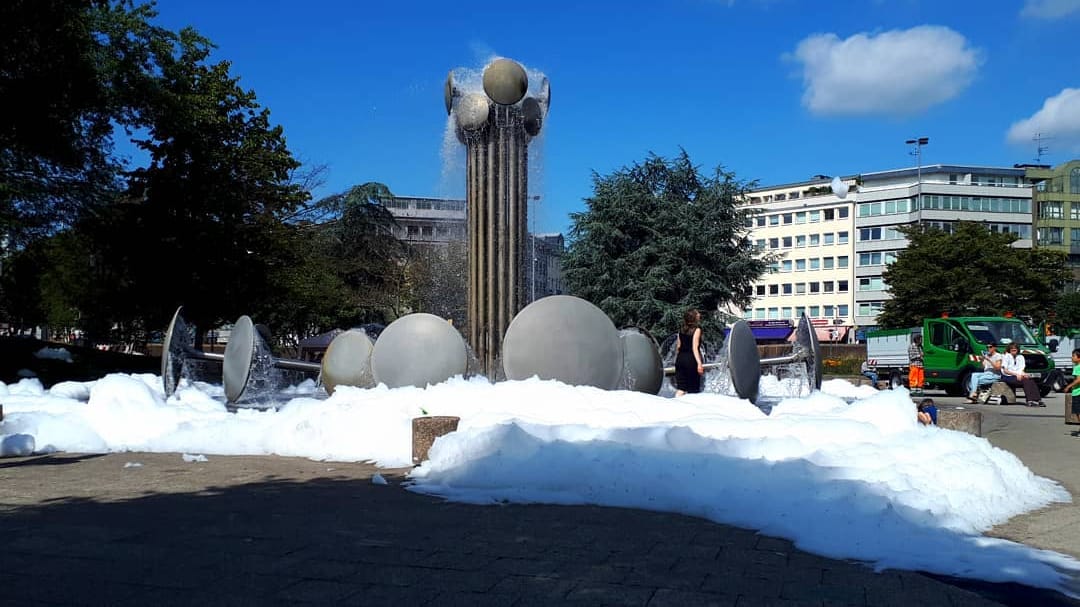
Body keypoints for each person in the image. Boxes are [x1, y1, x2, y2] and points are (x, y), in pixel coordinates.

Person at [1001, 342, 1044, 407]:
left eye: (1015, 350)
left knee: (1030, 379)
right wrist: (1016, 374)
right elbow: (1005, 370)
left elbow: (1021, 370)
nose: (1013, 352)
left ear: (1017, 350)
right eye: (1012, 350)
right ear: (1009, 350)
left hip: (1018, 375)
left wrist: (1024, 374)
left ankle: (1038, 400)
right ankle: (1029, 400)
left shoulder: (1020, 357)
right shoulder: (1007, 356)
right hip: (1008, 376)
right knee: (1025, 381)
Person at [674, 309, 705, 397]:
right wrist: (699, 363)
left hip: (680, 359)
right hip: (690, 360)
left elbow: (678, 346)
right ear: (694, 317)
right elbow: (694, 348)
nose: (699, 314)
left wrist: (677, 360)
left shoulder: (681, 329)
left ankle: (675, 404)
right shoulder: (697, 330)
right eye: (697, 313)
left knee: (681, 388)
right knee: (693, 389)